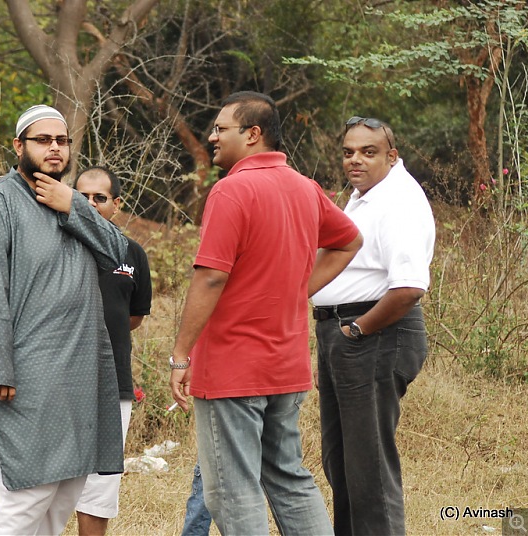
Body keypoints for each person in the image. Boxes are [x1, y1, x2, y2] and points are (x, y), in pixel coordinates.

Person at [169, 91, 363, 535]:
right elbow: (349, 241)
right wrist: (299, 290)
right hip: (286, 367)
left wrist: (181, 353)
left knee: (232, 492)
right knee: (289, 479)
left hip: (233, 370)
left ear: (253, 134)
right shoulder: (305, 187)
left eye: (222, 128)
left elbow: (211, 277)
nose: (212, 136)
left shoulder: (231, 189)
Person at [0, 105, 129, 535]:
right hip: (29, 374)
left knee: (66, 493)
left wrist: (74, 204)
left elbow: (117, 252)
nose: (55, 148)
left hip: (83, 371)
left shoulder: (70, 200)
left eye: (62, 140)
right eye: (43, 140)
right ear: (19, 146)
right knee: (26, 493)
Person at [312, 116, 435, 535]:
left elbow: (409, 287)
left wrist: (358, 330)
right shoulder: (364, 196)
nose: (355, 161)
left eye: (368, 152)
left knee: (368, 465)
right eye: (348, 152)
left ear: (392, 155)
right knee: (341, 460)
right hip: (341, 331)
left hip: (374, 333)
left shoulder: (397, 199)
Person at [73, 166, 152, 536]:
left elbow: (133, 315)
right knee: (46, 486)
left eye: (99, 198)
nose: (90, 204)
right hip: (60, 380)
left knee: (98, 489)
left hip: (113, 383)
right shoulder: (59, 244)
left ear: (116, 205)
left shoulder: (132, 253)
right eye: (82, 196)